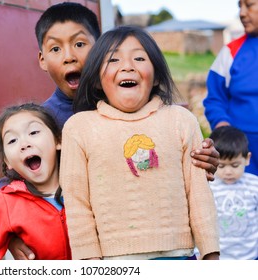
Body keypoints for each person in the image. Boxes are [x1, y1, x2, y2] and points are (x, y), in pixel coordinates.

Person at [4, 2, 220, 259]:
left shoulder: (176, 120)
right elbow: (13, 179)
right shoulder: (42, 123)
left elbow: (192, 185)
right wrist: (10, 231)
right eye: (55, 48)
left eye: (80, 44)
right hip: (82, 251)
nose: (69, 56)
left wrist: (205, 159)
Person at [59, 25, 220, 260]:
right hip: (114, 262)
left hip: (179, 257)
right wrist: (89, 263)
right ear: (95, 81)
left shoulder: (180, 120)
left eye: (139, 58)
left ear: (155, 76)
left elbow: (199, 194)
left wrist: (211, 254)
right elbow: (77, 203)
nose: (127, 66)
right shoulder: (79, 128)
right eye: (113, 59)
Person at [0, 103, 71, 260]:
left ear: (58, 140)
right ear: (7, 161)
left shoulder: (83, 186)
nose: (24, 144)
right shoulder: (5, 202)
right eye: (12, 140)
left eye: (33, 132)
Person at [203, 0, 258, 176]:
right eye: (239, 6)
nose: (242, 13)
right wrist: (223, 130)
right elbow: (215, 100)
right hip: (240, 156)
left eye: (249, 5)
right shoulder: (230, 52)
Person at [207, 126, 258, 260]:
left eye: (235, 165)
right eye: (221, 166)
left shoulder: (254, 185)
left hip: (251, 256)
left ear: (247, 159)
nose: (228, 172)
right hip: (219, 258)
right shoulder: (208, 187)